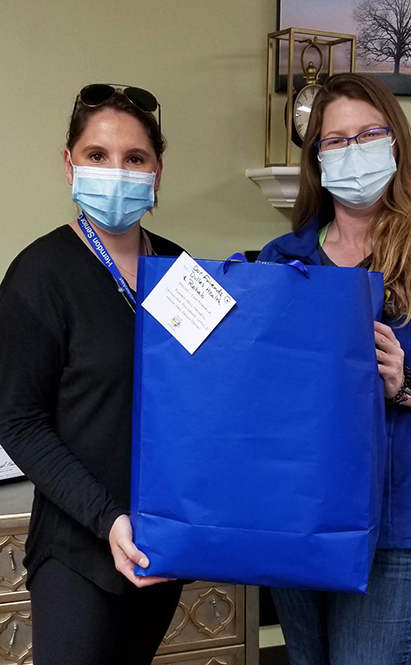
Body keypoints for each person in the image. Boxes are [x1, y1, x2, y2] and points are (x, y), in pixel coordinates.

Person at [258, 73, 411, 665]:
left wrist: (407, 383)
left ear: (397, 143)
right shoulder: (283, 262)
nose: (353, 150)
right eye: (335, 140)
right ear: (317, 158)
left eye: (368, 134)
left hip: (402, 522)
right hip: (300, 512)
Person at [0, 84, 185, 665]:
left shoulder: (180, 270)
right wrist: (107, 518)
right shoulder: (38, 275)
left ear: (158, 170)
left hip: (160, 539)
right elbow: (18, 420)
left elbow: (208, 398)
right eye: (97, 156)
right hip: (79, 547)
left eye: (135, 158)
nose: (117, 171)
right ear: (68, 164)